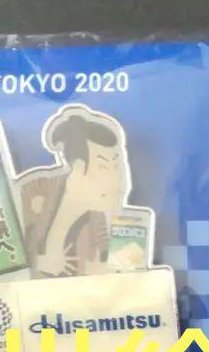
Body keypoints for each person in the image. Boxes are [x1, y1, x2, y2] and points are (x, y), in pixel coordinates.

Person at [19, 106, 147, 278]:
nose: (117, 181)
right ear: (77, 169)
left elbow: (129, 281)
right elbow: (4, 256)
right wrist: (39, 262)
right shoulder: (34, 193)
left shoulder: (113, 224)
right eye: (103, 167)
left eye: (118, 166)